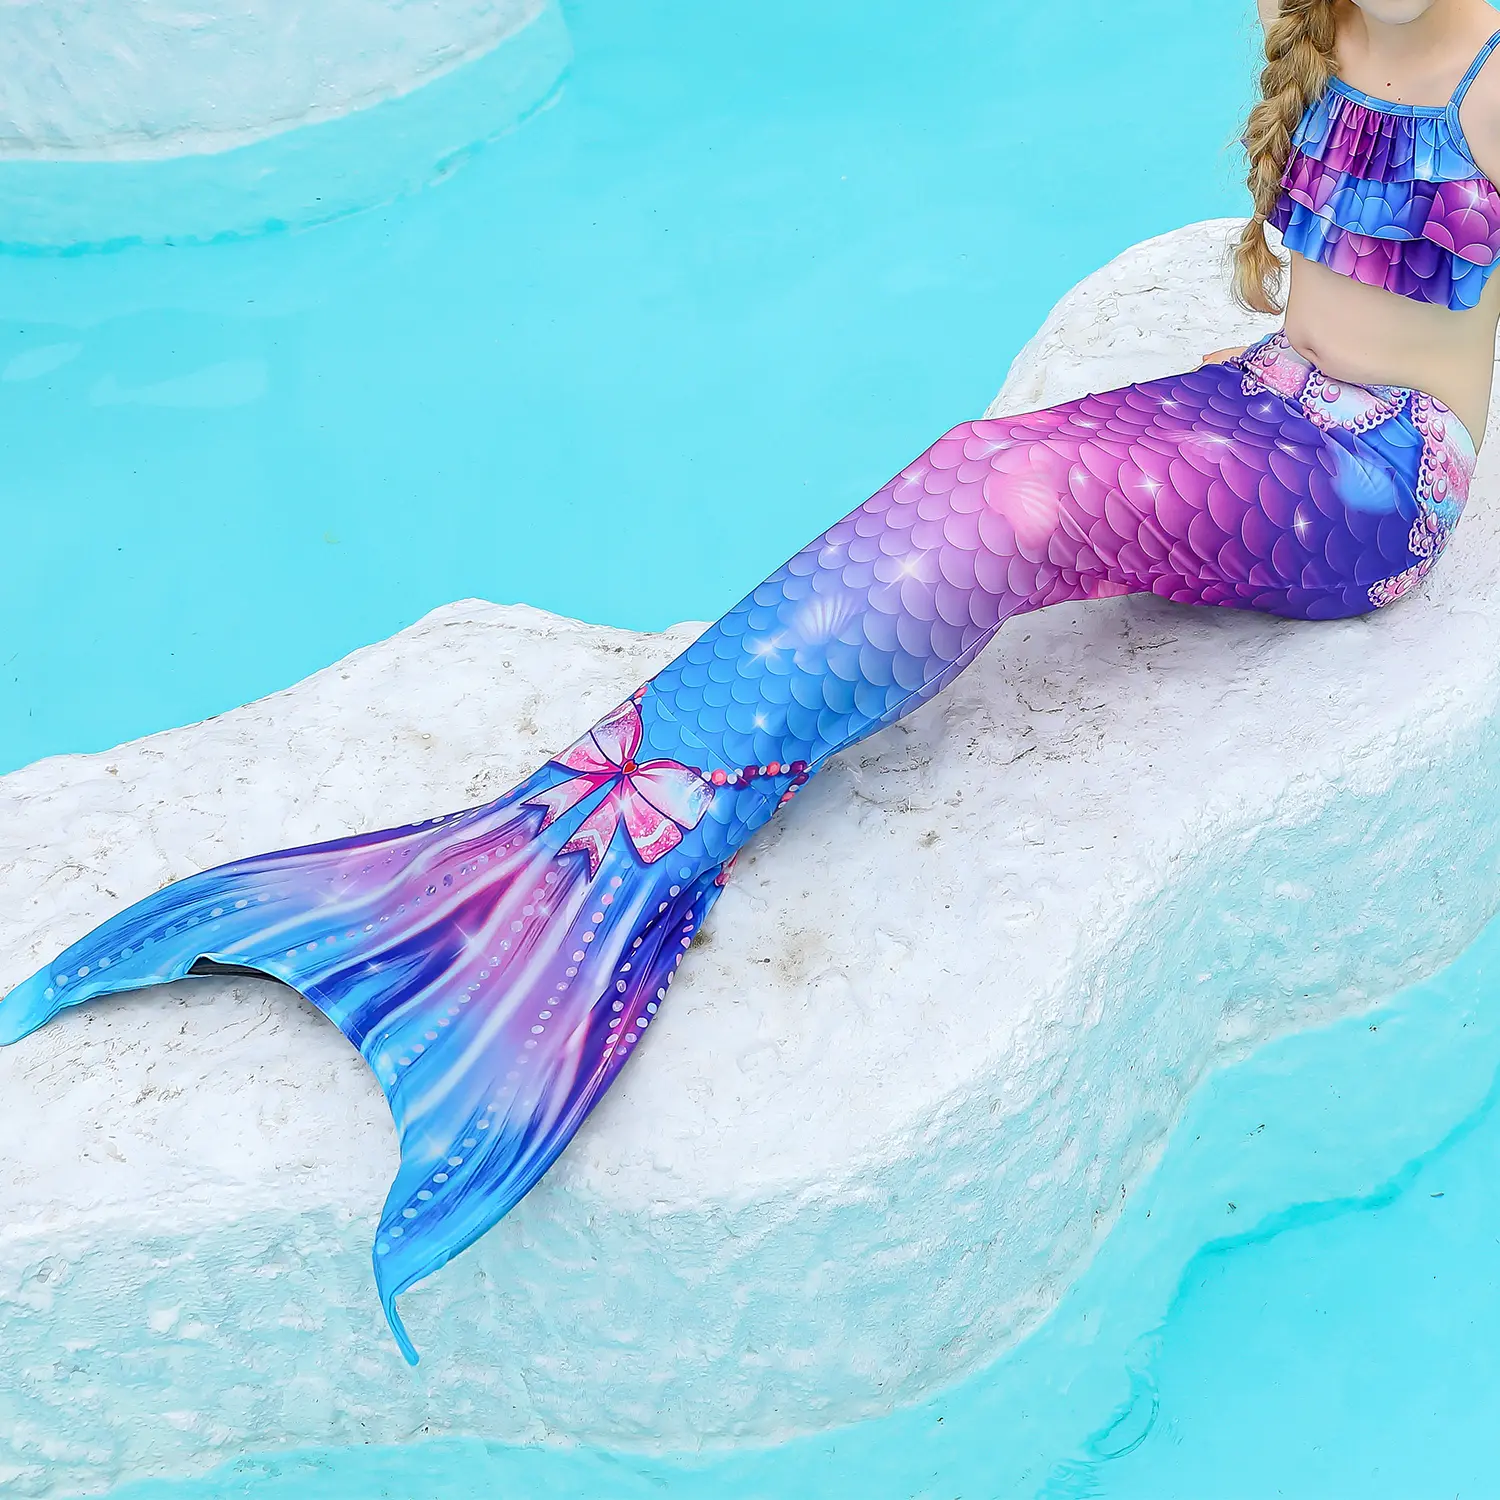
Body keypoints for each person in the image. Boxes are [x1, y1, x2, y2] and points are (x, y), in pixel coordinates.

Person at [3, 0, 1498, 1363]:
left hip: (1375, 483)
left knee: (1017, 505)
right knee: (980, 472)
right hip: (1268, 402)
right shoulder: (1335, 30)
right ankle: (595, 813)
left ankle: (632, 844)